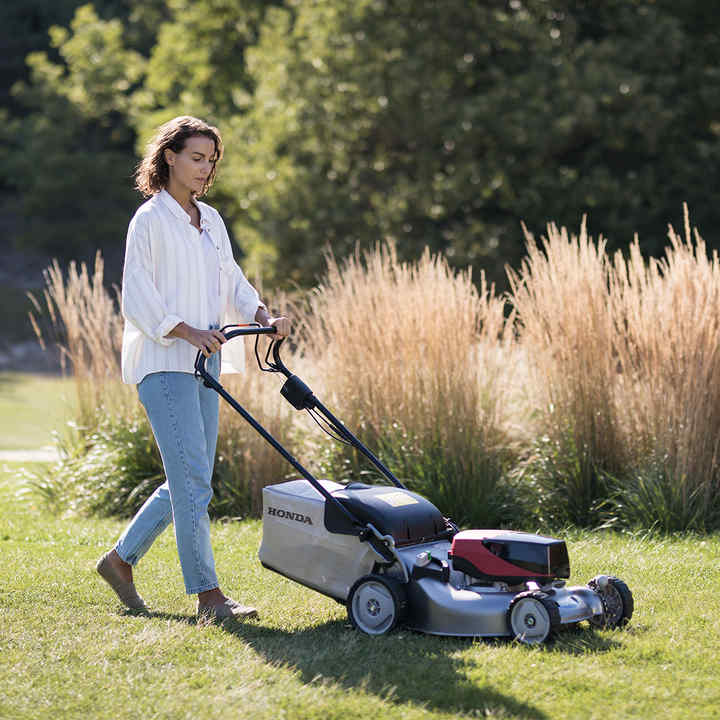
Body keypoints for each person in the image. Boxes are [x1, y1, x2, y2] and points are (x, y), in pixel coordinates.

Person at [96, 115, 290, 620]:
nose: (205, 169)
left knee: (191, 480)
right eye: (196, 158)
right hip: (163, 363)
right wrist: (185, 330)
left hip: (205, 365)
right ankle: (209, 596)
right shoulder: (150, 220)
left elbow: (232, 279)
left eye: (211, 161)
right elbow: (137, 294)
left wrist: (262, 315)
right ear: (170, 158)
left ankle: (120, 560)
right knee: (191, 482)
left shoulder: (212, 221)